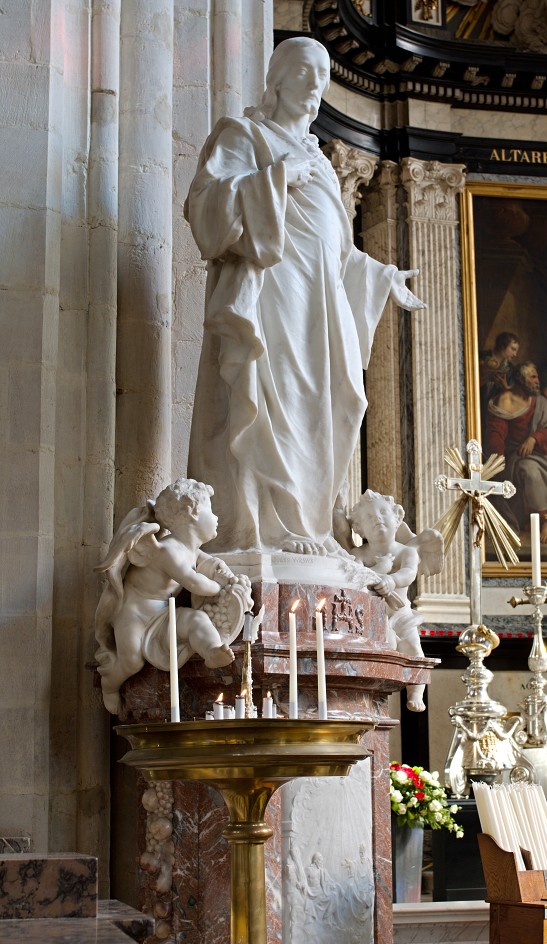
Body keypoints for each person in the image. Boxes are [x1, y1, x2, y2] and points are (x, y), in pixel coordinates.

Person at [184, 36, 424, 556]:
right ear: (276, 79)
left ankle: (312, 524)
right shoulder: (244, 135)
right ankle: (272, 529)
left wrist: (379, 275)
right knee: (277, 392)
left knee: (335, 399)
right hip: (275, 290)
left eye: (323, 77)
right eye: (304, 72)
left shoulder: (318, 154)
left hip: (323, 297)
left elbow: (334, 245)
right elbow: (204, 211)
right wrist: (275, 178)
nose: (316, 85)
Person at [94, 479, 252, 715]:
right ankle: (109, 686)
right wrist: (219, 588)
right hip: (135, 615)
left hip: (162, 613)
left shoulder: (190, 550)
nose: (217, 517)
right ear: (192, 515)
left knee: (196, 621)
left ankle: (212, 651)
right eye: (211, 510)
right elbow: (194, 583)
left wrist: (222, 570)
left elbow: (207, 562)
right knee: (132, 661)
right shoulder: (168, 550)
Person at [348, 489, 443, 712]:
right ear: (359, 528)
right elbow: (354, 578)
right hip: (370, 617)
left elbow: (409, 573)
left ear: (397, 518)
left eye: (382, 513)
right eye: (369, 517)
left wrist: (391, 580)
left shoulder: (406, 551)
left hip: (401, 614)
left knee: (413, 648)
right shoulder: (359, 554)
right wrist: (377, 570)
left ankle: (415, 691)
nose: (377, 518)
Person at [486, 362, 547, 542]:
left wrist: (534, 438)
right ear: (521, 380)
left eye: (537, 376)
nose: (537, 381)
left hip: (544, 453)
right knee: (532, 474)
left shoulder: (539, 402)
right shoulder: (505, 401)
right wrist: (496, 463)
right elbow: (496, 436)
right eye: (532, 377)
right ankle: (546, 522)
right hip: (519, 455)